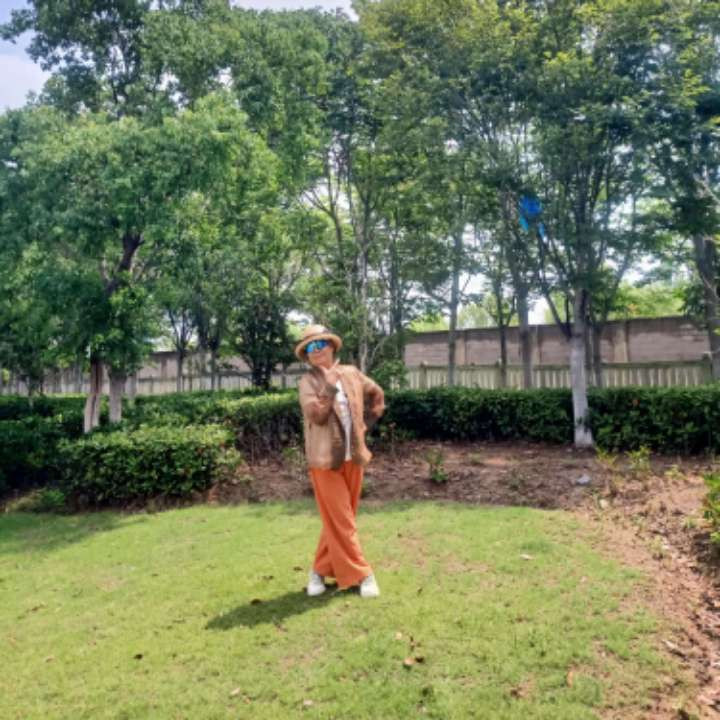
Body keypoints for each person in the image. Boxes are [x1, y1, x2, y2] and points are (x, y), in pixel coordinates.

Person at [295, 324, 385, 598]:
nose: (315, 350)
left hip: (353, 458)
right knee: (343, 521)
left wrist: (365, 424)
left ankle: (318, 571)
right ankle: (363, 575)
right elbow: (317, 415)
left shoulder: (352, 373)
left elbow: (376, 394)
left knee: (338, 521)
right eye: (309, 348)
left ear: (331, 346)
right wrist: (330, 386)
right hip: (324, 462)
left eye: (319, 344)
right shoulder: (307, 382)